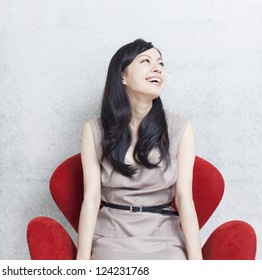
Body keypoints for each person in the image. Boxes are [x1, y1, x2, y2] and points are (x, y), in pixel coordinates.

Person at [76, 39, 203, 260]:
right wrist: (82, 263)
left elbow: (184, 197)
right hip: (111, 237)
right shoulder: (94, 130)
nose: (157, 68)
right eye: (146, 61)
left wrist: (196, 262)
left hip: (164, 238)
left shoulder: (180, 128)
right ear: (122, 77)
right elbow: (92, 198)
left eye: (161, 63)